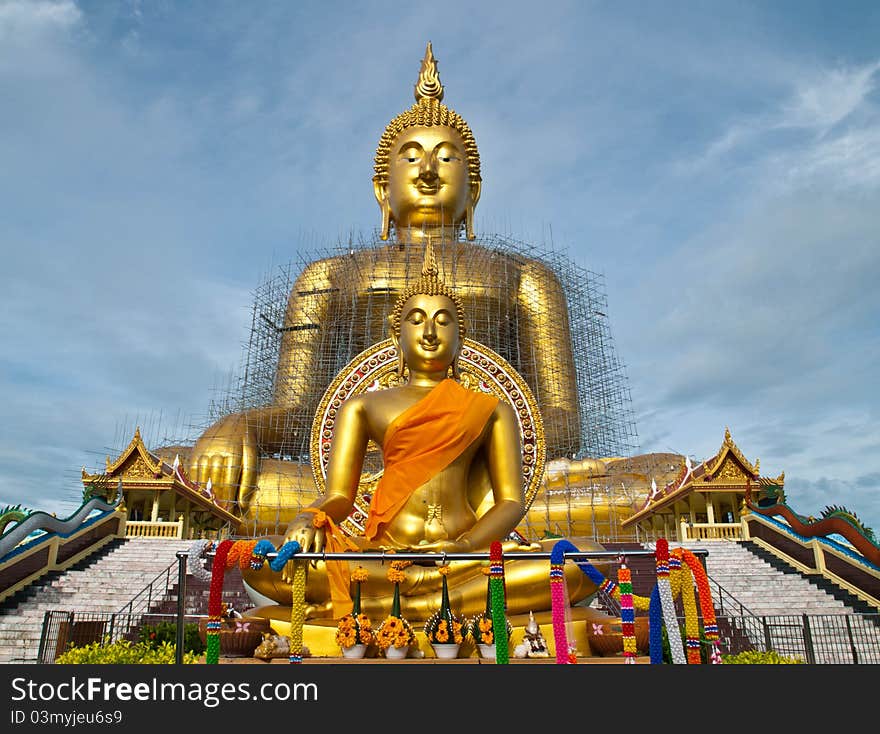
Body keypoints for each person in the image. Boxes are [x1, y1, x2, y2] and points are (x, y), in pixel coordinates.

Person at [186, 43, 584, 531]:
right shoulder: (328, 276)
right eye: (411, 157)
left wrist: (469, 434)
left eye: (447, 158)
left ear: (473, 189)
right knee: (196, 470)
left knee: (648, 477)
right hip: (357, 475)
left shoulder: (527, 277)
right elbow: (296, 415)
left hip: (482, 479)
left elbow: (564, 422)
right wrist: (238, 424)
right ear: (382, 188)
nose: (429, 171)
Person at [242, 244, 606, 622]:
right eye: (416, 319)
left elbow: (510, 502)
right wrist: (307, 518)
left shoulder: (492, 408)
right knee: (259, 563)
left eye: (443, 320)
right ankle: (440, 604)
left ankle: (404, 605)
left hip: (468, 555)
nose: (430, 332)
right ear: (396, 334)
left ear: (461, 336)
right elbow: (338, 496)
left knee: (584, 560)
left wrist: (465, 547)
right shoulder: (363, 406)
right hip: (383, 554)